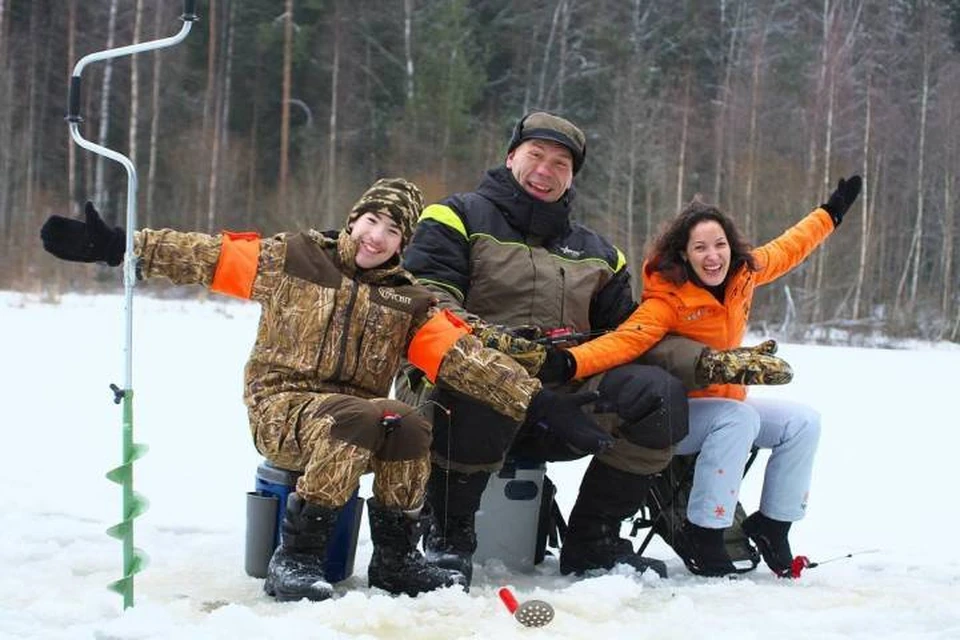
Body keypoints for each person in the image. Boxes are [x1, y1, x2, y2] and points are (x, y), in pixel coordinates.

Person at [39, 178, 615, 602]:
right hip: (282, 408)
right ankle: (297, 557)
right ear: (356, 217)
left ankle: (395, 560)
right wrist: (118, 246)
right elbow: (202, 255)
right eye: (372, 221)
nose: (377, 237)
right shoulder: (292, 258)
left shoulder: (407, 299)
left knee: (410, 421)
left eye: (394, 231)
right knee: (360, 416)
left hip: (356, 417)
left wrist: (537, 403)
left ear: (403, 242)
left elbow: (468, 361)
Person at [397, 111, 793, 583]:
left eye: (561, 163)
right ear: (510, 158)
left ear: (571, 178)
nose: (546, 170)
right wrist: (503, 361)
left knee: (657, 395)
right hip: (463, 394)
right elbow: (427, 306)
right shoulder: (454, 217)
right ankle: (449, 536)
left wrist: (711, 365)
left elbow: (635, 340)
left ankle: (595, 540)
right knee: (482, 387)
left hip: (564, 403)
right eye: (536, 155)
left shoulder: (601, 253)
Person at [541, 175, 863, 577]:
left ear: (732, 247)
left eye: (720, 245)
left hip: (728, 408)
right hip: (677, 419)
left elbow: (791, 246)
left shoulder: (744, 276)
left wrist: (831, 213)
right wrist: (571, 362)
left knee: (802, 422)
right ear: (685, 255)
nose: (713, 256)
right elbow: (625, 341)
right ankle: (704, 533)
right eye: (701, 248)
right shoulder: (668, 299)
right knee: (738, 418)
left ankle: (774, 524)